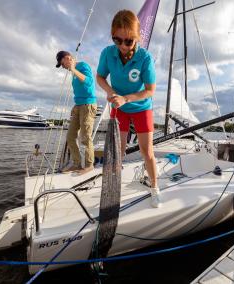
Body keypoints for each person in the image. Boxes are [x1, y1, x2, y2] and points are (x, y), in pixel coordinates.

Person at [96, 10, 161, 208]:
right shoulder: (108, 53)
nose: (123, 46)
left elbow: (150, 91)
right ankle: (114, 188)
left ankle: (155, 188)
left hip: (141, 107)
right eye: (118, 40)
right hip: (119, 106)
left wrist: (127, 98)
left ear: (136, 37)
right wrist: (110, 92)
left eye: (128, 41)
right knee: (118, 151)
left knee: (146, 151)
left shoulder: (145, 58)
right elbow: (100, 77)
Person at [56, 51, 97, 174]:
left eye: (63, 64)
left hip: (88, 105)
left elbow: (89, 82)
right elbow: (79, 91)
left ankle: (89, 165)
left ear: (68, 58)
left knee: (85, 137)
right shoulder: (73, 72)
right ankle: (77, 163)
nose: (64, 68)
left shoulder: (83, 66)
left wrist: (73, 69)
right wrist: (75, 105)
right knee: (70, 136)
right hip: (79, 105)